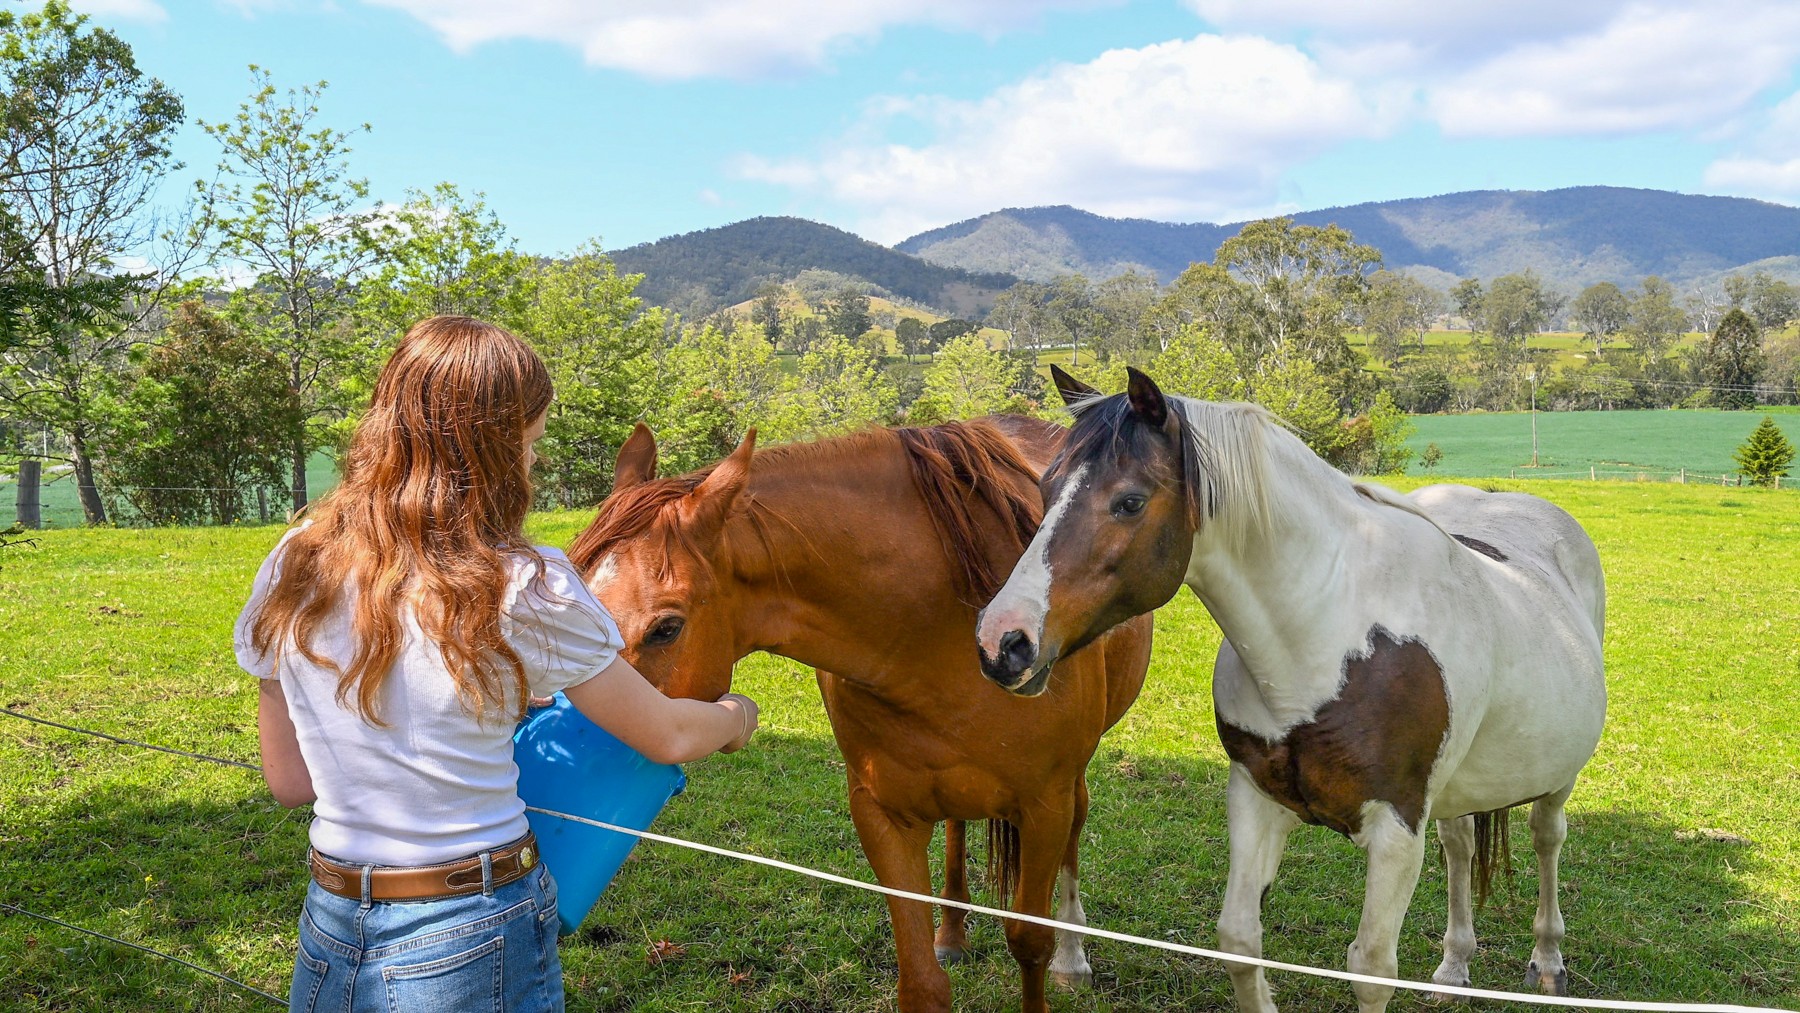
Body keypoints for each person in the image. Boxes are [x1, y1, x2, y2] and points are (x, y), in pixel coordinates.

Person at [234, 315, 758, 1013]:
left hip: (333, 921)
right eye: (530, 443)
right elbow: (665, 733)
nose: (533, 463)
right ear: (489, 448)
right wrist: (731, 716)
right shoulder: (523, 582)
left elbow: (290, 778)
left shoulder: (295, 558)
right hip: (471, 924)